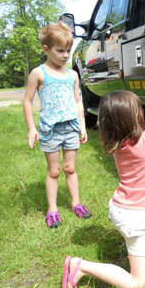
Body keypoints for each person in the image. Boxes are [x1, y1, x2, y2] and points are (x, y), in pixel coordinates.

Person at [62, 90, 145, 288]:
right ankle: (80, 266)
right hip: (137, 218)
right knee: (137, 282)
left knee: (141, 236)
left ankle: (143, 245)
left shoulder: (117, 145)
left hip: (122, 209)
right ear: (135, 118)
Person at [23, 22, 92, 228]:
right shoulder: (39, 73)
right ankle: (52, 209)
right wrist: (31, 127)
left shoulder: (72, 75)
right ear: (46, 49)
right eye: (60, 50)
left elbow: (78, 101)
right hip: (50, 130)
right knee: (54, 171)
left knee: (70, 167)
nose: (65, 55)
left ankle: (76, 203)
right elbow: (27, 100)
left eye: (68, 51)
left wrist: (83, 125)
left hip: (71, 128)